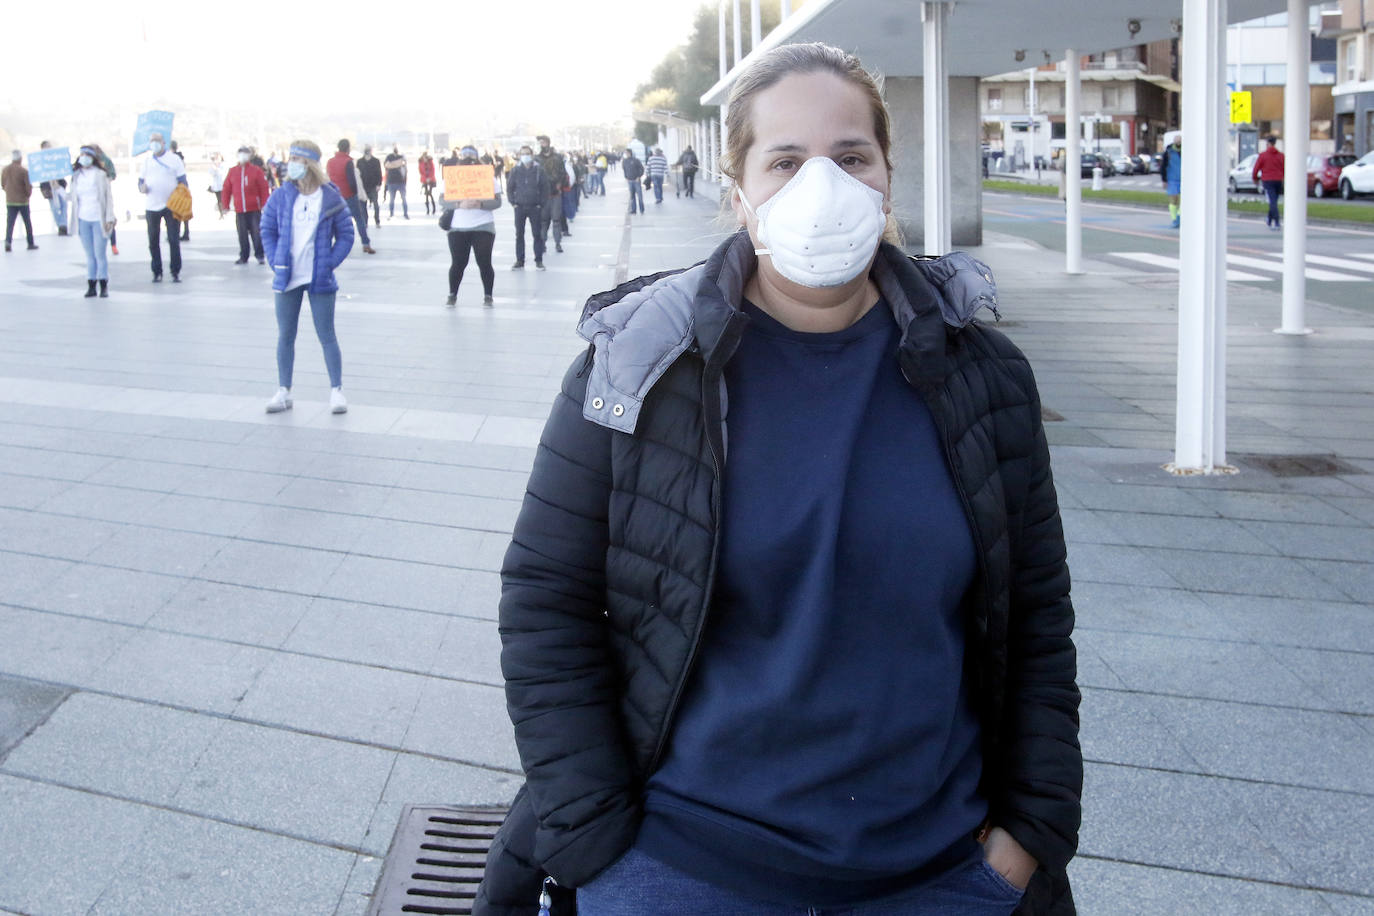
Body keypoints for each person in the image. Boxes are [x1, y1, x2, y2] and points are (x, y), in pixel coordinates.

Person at [473, 41, 1081, 916]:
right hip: (683, 867)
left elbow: (1038, 619)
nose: (821, 184)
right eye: (786, 161)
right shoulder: (642, 367)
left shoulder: (984, 376)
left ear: (885, 178)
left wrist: (1025, 839)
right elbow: (546, 599)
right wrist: (597, 840)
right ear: (740, 194)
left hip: (942, 876)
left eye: (850, 156)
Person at [259, 140, 354, 415]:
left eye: (297, 159)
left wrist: (329, 263)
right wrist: (275, 261)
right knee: (285, 335)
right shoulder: (281, 195)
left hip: (319, 279)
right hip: (287, 278)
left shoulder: (330, 197)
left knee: (327, 335)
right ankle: (283, 391)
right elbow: (267, 229)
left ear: (309, 164)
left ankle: (336, 390)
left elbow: (346, 235)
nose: (291, 164)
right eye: (291, 158)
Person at [440, 145, 502, 308]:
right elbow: (442, 199)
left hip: (483, 226)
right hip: (458, 227)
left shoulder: (488, 177)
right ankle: (452, 294)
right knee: (458, 262)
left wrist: (480, 204)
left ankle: (488, 295)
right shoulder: (452, 177)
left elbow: (497, 201)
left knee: (484, 262)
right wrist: (459, 204)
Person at [138, 131, 188, 281]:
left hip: (171, 206)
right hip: (152, 206)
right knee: (153, 240)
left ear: (163, 143)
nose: (155, 143)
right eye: (152, 141)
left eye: (157, 140)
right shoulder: (146, 162)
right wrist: (142, 188)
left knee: (173, 239)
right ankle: (157, 271)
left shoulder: (174, 159)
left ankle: (175, 271)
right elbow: (140, 182)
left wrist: (180, 198)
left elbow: (183, 181)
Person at [67, 145, 116, 298]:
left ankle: (103, 285)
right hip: (83, 219)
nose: (84, 158)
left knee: (99, 254)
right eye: (81, 155)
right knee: (89, 255)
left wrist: (109, 217)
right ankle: (91, 285)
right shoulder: (76, 176)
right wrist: (56, 188)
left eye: (87, 155)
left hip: (98, 219)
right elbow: (72, 198)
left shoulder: (101, 175)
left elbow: (108, 198)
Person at [222, 145, 271, 264]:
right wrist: (225, 205)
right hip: (239, 209)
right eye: (241, 153)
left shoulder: (256, 171)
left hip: (254, 208)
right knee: (242, 234)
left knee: (256, 233)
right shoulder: (233, 171)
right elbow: (226, 189)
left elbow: (264, 188)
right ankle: (244, 256)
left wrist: (265, 204)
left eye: (245, 153)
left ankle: (260, 255)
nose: (243, 156)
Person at [505, 144, 550, 271]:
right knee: (519, 234)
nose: (525, 156)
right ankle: (520, 260)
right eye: (523, 154)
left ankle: (539, 260)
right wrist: (512, 202)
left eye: (527, 153)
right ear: (519, 155)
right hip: (519, 207)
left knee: (537, 234)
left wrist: (541, 204)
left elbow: (545, 188)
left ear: (532, 155)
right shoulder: (515, 170)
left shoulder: (538, 170)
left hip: (534, 207)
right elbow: (509, 188)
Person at [327, 139, 376, 254]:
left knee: (334, 221)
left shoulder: (330, 162)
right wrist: (354, 193)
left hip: (335, 196)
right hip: (348, 195)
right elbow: (351, 180)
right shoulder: (348, 161)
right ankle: (365, 243)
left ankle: (330, 245)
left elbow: (328, 178)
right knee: (359, 219)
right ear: (348, 148)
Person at [534, 135, 566, 252]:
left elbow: (563, 173)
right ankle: (543, 243)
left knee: (556, 220)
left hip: (556, 193)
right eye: (540, 143)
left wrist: (560, 184)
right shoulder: (536, 159)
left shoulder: (557, 157)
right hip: (543, 195)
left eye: (543, 142)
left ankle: (558, 243)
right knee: (543, 221)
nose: (541, 145)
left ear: (548, 143)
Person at [2, 150, 38, 252]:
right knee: (27, 223)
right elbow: (28, 187)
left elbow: (3, 184)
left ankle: (8, 242)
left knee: (10, 223)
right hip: (23, 201)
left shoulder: (5, 170)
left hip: (10, 201)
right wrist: (27, 195)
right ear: (20, 159)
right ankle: (30, 243)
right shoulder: (23, 171)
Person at [1253, 135, 1285, 230]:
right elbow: (1284, 168)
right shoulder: (1281, 156)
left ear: (1268, 144)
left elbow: (1256, 168)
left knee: (1272, 201)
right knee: (1274, 200)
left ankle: (1277, 222)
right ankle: (1269, 219)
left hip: (1267, 180)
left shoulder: (1263, 155)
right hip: (1278, 180)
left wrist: (1255, 178)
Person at [38, 141, 69, 236]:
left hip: (59, 185)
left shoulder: (56, 158)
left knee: (64, 204)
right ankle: (60, 225)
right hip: (48, 186)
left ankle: (63, 225)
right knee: (54, 207)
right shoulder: (40, 160)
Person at [169, 140, 191, 240]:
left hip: (178, 188)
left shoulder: (175, 159)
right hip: (182, 187)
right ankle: (184, 232)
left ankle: (177, 233)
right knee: (182, 210)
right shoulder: (180, 158)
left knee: (177, 211)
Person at [357, 145, 383, 227]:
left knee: (376, 205)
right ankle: (365, 222)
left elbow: (379, 173)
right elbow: (358, 175)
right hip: (363, 187)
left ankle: (377, 221)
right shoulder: (360, 161)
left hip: (373, 186)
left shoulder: (376, 161)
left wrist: (379, 184)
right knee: (363, 206)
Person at [1160, 133, 1182, 229]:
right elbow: (1163, 166)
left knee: (1183, 200)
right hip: (1172, 179)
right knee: (1174, 199)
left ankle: (1179, 217)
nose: (1178, 142)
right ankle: (1174, 219)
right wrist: (1164, 180)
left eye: (1180, 140)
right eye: (1177, 140)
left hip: (1184, 179)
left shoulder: (1187, 151)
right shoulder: (1169, 152)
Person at [384, 144, 408, 219]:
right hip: (392, 181)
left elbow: (404, 165)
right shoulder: (389, 156)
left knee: (403, 199)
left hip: (400, 181)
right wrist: (398, 163)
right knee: (392, 199)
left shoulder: (401, 156)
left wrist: (393, 164)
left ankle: (405, 213)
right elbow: (386, 165)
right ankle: (391, 213)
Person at [621, 146, 645, 214]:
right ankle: (633, 210)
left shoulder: (636, 160)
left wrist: (638, 177)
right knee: (632, 196)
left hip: (636, 180)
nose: (626, 154)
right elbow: (624, 170)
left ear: (630, 153)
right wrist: (626, 177)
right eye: (625, 153)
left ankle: (641, 209)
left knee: (639, 195)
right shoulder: (625, 161)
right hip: (630, 181)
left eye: (627, 153)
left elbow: (642, 169)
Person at [208, 152, 226, 219]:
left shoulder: (223, 165)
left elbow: (222, 173)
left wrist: (216, 169)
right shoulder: (213, 166)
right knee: (219, 200)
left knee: (224, 199)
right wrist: (214, 167)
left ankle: (225, 210)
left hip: (223, 184)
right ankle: (221, 213)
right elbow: (211, 173)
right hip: (216, 186)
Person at [418, 150, 437, 215]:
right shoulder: (421, 162)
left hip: (431, 180)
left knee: (430, 193)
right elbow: (420, 171)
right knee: (426, 195)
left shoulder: (430, 162)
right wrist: (425, 178)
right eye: (424, 158)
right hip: (424, 180)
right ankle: (428, 209)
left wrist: (430, 178)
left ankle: (434, 208)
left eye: (426, 158)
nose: (425, 159)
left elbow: (433, 170)